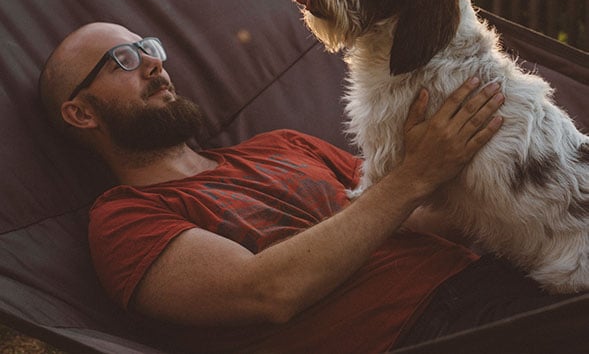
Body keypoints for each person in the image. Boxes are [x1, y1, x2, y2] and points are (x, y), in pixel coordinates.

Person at [38, 22, 573, 353]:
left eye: (147, 47)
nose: (153, 62)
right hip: (419, 334)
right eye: (123, 61)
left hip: (495, 281)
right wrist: (416, 174)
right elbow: (266, 293)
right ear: (81, 112)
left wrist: (482, 160)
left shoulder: (282, 146)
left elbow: (414, 217)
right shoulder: (126, 219)